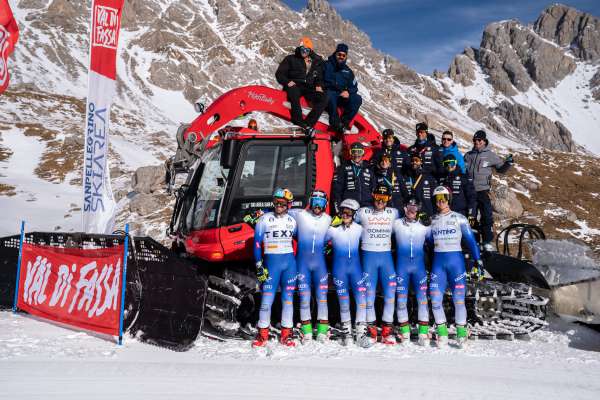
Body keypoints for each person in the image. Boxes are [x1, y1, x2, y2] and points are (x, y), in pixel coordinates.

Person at [427, 186, 483, 348]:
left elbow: (471, 241)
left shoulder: (460, 218)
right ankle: (442, 333)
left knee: (459, 300)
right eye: (437, 199)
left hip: (456, 264)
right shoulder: (432, 221)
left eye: (444, 198)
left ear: (449, 199)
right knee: (435, 300)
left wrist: (477, 260)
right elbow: (429, 243)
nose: (441, 201)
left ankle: (461, 334)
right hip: (439, 264)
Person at [252, 188, 298, 347]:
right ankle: (262, 334)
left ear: (289, 205)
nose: (279, 206)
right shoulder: (264, 219)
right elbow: (257, 244)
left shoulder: (293, 221)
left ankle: (287, 334)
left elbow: (302, 241)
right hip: (271, 264)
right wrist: (258, 264)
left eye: (283, 203)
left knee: (288, 300)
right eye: (276, 202)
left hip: (289, 264)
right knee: (267, 300)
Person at [354, 184, 399, 345]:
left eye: (384, 198)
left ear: (389, 199)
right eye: (378, 197)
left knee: (390, 294)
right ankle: (371, 330)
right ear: (373, 196)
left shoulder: (394, 213)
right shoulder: (362, 212)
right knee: (369, 295)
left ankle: (387, 331)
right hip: (368, 257)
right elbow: (348, 224)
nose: (380, 201)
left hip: (386, 257)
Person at [324, 198, 372, 348]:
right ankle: (347, 334)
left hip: (356, 270)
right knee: (344, 304)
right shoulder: (333, 229)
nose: (345, 215)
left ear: (355, 214)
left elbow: (369, 248)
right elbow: (319, 245)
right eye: (342, 212)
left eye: (349, 213)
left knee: (362, 301)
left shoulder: (360, 229)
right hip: (340, 271)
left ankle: (361, 333)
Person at [288, 190, 332, 343]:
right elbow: (281, 210)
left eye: (320, 203)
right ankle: (306, 331)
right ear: (310, 202)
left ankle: (322, 330)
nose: (317, 206)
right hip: (303, 264)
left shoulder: (329, 219)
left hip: (320, 265)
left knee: (322, 298)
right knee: (305, 298)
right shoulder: (300, 214)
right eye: (315, 202)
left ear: (325, 205)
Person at [464, 130, 513, 251]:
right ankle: (474, 242)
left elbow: (501, 169)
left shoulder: (490, 155)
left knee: (486, 216)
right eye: (475, 140)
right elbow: (462, 170)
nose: (476, 142)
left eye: (479, 140)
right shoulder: (468, 155)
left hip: (483, 191)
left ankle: (486, 242)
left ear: (484, 141)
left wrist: (508, 163)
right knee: (471, 218)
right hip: (470, 191)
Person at [392, 197, 431, 345]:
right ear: (404, 207)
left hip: (419, 268)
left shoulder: (424, 226)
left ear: (419, 209)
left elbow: (435, 244)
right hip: (402, 268)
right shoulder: (396, 224)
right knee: (401, 302)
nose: (412, 210)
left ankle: (423, 333)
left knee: (422, 300)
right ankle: (405, 333)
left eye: (415, 207)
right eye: (409, 206)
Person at [275, 37, 328, 136]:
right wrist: (287, 82)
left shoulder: (314, 62)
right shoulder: (291, 59)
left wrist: (319, 85)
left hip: (308, 87)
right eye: (303, 49)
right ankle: (298, 121)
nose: (304, 51)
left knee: (323, 98)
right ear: (299, 48)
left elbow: (319, 77)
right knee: (294, 93)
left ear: (310, 51)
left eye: (307, 50)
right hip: (294, 84)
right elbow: (279, 74)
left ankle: (308, 124)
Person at [323, 43, 362, 134]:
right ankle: (335, 123)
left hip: (341, 96)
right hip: (329, 93)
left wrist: (348, 92)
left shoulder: (348, 71)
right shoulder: (326, 65)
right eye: (339, 54)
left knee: (357, 98)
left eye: (343, 55)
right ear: (335, 53)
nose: (341, 57)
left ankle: (344, 123)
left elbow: (354, 86)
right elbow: (322, 80)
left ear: (346, 56)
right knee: (330, 94)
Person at [332, 142, 374, 212]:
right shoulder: (343, 168)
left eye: (359, 152)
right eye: (354, 152)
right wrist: (338, 209)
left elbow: (373, 188)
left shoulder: (369, 168)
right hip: (349, 206)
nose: (356, 155)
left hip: (366, 205)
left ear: (363, 153)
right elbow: (337, 191)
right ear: (350, 153)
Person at [438, 153, 476, 219]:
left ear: (455, 163)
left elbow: (471, 196)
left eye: (452, 163)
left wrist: (471, 213)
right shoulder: (441, 178)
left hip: (460, 213)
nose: (449, 166)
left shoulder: (463, 177)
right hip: (444, 212)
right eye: (446, 164)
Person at [401, 154, 437, 221]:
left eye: (416, 160)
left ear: (421, 162)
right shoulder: (405, 178)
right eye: (412, 160)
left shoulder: (429, 177)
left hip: (427, 214)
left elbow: (434, 197)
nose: (414, 162)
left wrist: (434, 213)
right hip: (410, 215)